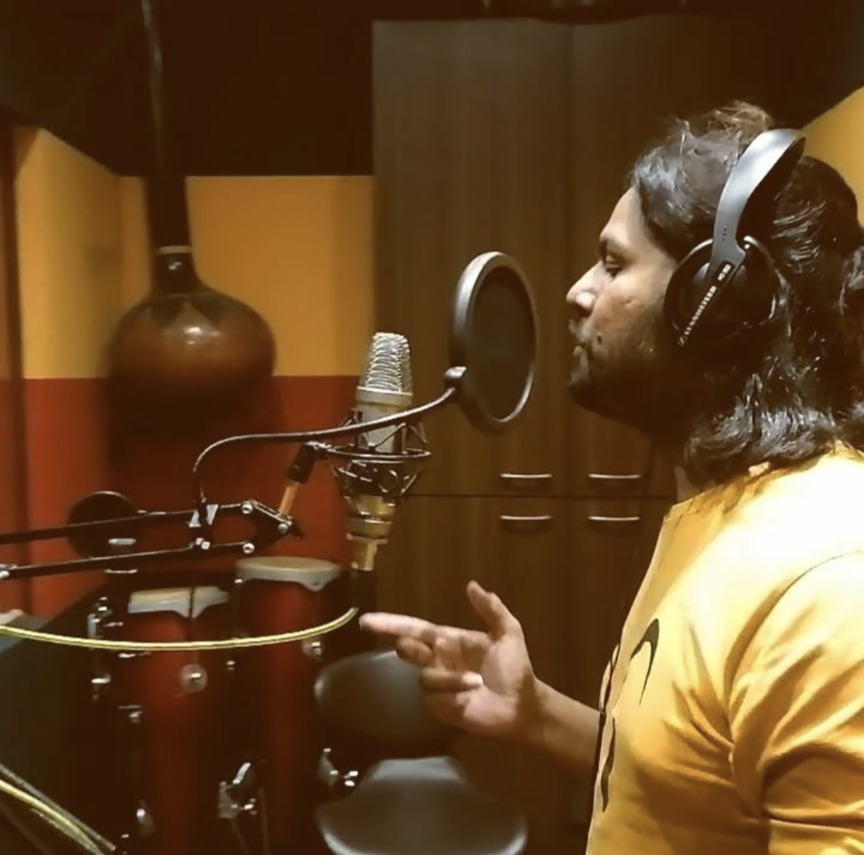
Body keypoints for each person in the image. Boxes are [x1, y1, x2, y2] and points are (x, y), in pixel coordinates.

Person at [360, 101, 864, 854]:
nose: (577, 291)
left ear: (714, 301)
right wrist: (537, 714)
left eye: (614, 262)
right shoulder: (722, 517)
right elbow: (691, 780)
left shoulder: (828, 585)